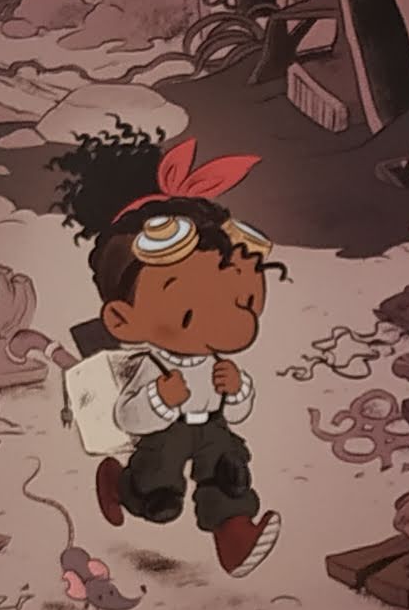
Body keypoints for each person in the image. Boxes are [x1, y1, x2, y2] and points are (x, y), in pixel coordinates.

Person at [55, 125, 283, 579]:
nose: (232, 321)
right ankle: (120, 485)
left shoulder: (215, 359)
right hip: (166, 432)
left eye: (242, 302)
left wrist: (237, 390)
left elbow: (239, 411)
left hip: (212, 426)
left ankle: (234, 533)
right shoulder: (150, 365)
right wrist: (160, 398)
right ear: (122, 319)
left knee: (229, 470)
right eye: (190, 313)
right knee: (159, 494)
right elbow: (128, 418)